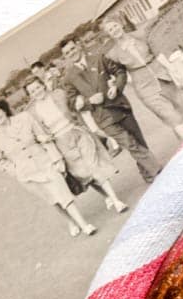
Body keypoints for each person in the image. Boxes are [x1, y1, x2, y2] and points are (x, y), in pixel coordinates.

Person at [0, 100, 97, 237]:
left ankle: (84, 225)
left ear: (3, 110)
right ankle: (70, 222)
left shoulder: (25, 118)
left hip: (46, 163)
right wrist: (15, 171)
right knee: (52, 200)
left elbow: (44, 138)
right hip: (27, 175)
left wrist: (57, 159)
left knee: (64, 195)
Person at [60, 38, 162, 183]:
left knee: (138, 141)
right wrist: (89, 102)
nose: (71, 53)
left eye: (72, 48)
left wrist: (116, 87)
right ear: (65, 57)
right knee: (129, 143)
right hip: (103, 117)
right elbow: (71, 103)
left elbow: (120, 71)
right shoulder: (69, 78)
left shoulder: (98, 57)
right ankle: (158, 170)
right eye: (67, 52)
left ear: (78, 46)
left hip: (120, 106)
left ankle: (146, 172)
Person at [24, 76, 128, 214]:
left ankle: (116, 201)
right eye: (32, 91)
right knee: (83, 174)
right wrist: (42, 138)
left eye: (37, 87)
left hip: (77, 132)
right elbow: (34, 134)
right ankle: (107, 196)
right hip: (60, 143)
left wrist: (82, 105)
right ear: (30, 95)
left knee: (93, 166)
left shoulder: (59, 94)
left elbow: (75, 104)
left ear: (43, 85)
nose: (37, 91)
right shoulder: (32, 112)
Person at [101, 16, 183, 141]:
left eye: (115, 26)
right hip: (144, 88)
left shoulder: (140, 35)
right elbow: (117, 73)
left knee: (179, 114)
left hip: (162, 76)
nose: (114, 30)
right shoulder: (113, 54)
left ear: (121, 24)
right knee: (170, 115)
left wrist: (171, 69)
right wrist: (113, 84)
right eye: (110, 30)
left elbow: (157, 52)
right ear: (108, 34)